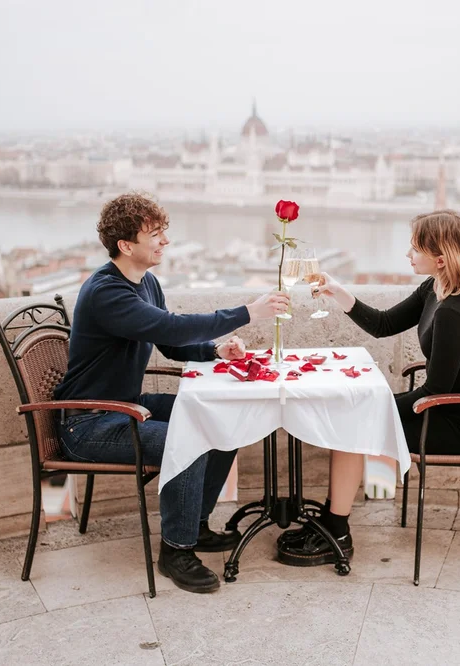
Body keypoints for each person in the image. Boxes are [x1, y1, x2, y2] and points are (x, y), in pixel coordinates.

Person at [53, 192, 289, 593]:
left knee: (222, 422)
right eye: (155, 235)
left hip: (124, 407)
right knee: (191, 439)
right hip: (88, 424)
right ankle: (175, 550)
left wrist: (215, 349)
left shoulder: (145, 282)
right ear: (126, 245)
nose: (165, 242)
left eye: (164, 233)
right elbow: (172, 329)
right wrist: (249, 311)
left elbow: (172, 343)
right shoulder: (107, 292)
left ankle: (193, 526)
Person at [276, 209, 460, 566]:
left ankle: (336, 533)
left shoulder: (453, 311)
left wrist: (377, 405)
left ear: (440, 259)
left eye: (415, 249)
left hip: (459, 423)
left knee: (355, 425)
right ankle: (333, 522)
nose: (408, 255)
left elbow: (434, 391)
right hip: (443, 408)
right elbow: (384, 324)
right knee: (354, 420)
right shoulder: (434, 289)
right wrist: (338, 292)